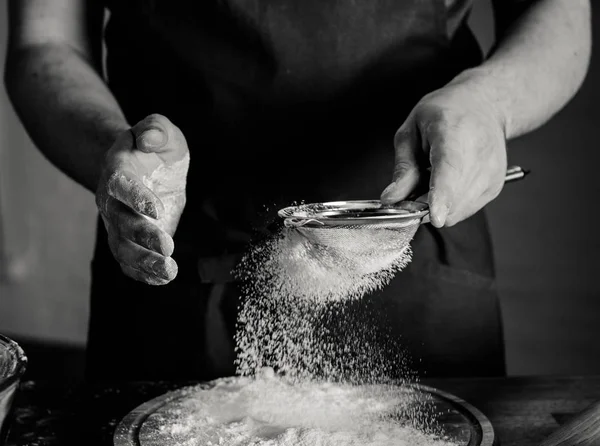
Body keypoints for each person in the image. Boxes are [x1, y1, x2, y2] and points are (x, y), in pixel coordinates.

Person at [5, 0, 591, 381]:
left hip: (410, 246)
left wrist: (489, 101)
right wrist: (116, 152)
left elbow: (560, 18)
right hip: (172, 259)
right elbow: (47, 41)